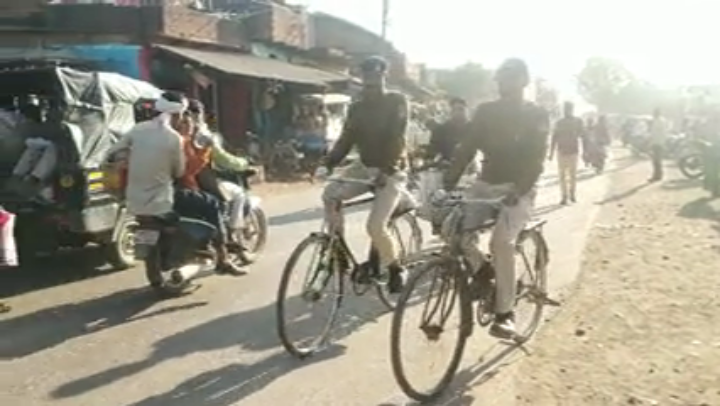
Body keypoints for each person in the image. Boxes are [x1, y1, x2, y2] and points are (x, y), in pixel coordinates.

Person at [441, 58, 549, 339]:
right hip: (485, 185)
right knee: (454, 231)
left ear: (524, 81)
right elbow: (467, 147)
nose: (504, 84)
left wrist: (519, 189)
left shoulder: (536, 114)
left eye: (510, 78)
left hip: (518, 189)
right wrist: (448, 180)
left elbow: (537, 161)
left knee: (501, 242)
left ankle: (505, 313)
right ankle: (484, 272)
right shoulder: (486, 112)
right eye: (501, 78)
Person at [315, 56, 413, 293]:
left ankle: (395, 268)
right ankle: (338, 250)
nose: (371, 81)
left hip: (392, 168)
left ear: (383, 76)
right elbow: (346, 138)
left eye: (375, 77)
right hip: (365, 165)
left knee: (375, 226)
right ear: (362, 77)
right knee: (330, 195)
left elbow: (397, 137)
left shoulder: (396, 101)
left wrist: (387, 170)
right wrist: (328, 163)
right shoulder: (357, 107)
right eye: (367, 76)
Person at [174, 100, 246, 275]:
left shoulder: (166, 135)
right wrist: (244, 163)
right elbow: (197, 166)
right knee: (228, 199)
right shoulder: (199, 136)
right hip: (192, 185)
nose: (190, 120)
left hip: (165, 189)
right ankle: (225, 253)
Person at [186, 100, 251, 242]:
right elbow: (223, 160)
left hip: (183, 182)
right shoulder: (204, 135)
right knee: (239, 194)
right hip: (203, 182)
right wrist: (243, 163)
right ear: (201, 115)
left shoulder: (177, 133)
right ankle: (232, 234)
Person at [548, 102, 584, 204]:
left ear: (572, 109)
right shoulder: (559, 123)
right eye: (565, 109)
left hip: (573, 151)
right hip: (561, 151)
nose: (566, 111)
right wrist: (551, 153)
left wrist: (585, 151)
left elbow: (583, 136)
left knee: (572, 175)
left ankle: (572, 194)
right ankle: (564, 196)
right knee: (562, 176)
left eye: (568, 108)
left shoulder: (578, 122)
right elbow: (554, 137)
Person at [426, 97, 469, 162]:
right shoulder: (440, 130)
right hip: (446, 166)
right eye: (454, 110)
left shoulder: (474, 129)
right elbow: (432, 151)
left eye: (461, 109)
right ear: (450, 112)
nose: (458, 112)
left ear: (467, 111)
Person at [648, 108, 668, 182]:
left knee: (656, 160)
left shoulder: (658, 121)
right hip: (659, 141)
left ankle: (657, 175)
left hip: (657, 142)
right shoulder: (661, 120)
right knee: (657, 160)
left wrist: (651, 141)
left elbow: (654, 133)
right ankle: (658, 175)